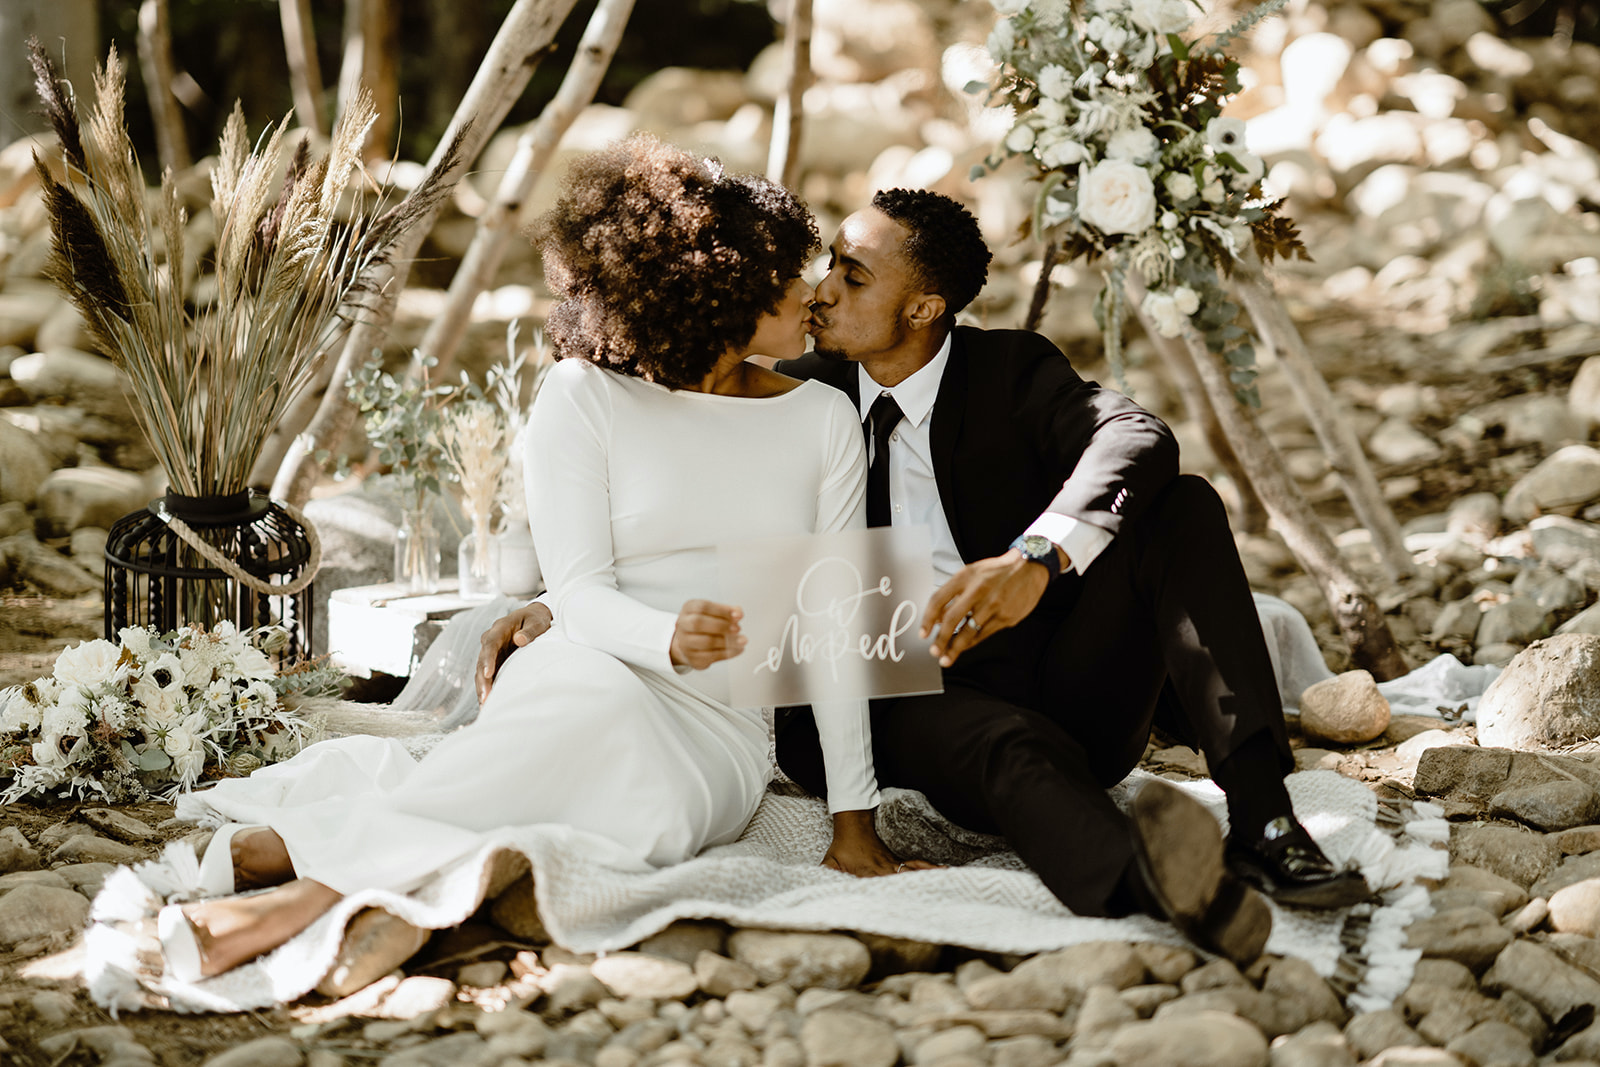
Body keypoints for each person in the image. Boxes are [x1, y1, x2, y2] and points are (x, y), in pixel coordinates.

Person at [479, 189, 1369, 965]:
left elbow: (1137, 438)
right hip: (886, 684)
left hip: (1060, 673)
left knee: (1184, 504)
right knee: (1005, 750)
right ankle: (1160, 888)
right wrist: (563, 599)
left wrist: (1036, 557)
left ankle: (1264, 818)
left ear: (925, 308)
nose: (822, 288)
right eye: (829, 264)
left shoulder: (1012, 372)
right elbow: (685, 504)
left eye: (855, 277)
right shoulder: (791, 386)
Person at [151, 137, 927, 984]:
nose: (813, 293)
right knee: (588, 707)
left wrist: (856, 822)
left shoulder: (821, 419)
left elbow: (839, 623)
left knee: (623, 768)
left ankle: (294, 872)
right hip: (587, 662)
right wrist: (667, 634)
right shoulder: (581, 395)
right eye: (789, 275)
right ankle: (311, 902)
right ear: (720, 289)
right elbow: (582, 592)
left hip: (719, 729)